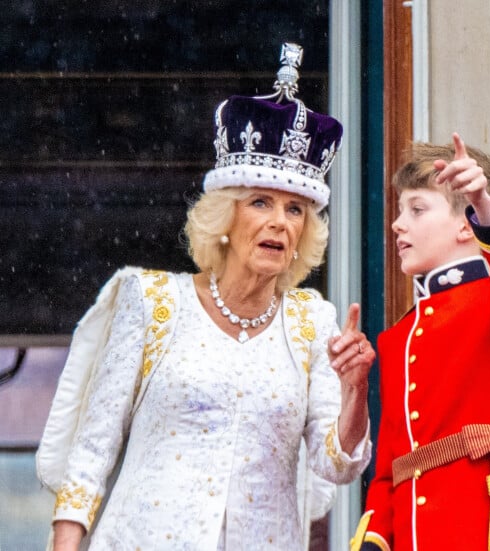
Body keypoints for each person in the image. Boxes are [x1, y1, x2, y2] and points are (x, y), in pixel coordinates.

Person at [37, 43, 375, 551]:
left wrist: (355, 393)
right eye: (261, 202)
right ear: (226, 217)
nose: (280, 223)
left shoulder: (313, 321)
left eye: (295, 210)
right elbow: (92, 451)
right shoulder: (152, 301)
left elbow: (336, 464)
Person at [351, 134, 490, 551]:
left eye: (417, 209)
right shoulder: (397, 338)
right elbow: (393, 469)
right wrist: (374, 540)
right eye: (400, 209)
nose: (398, 223)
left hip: (488, 531)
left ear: (467, 225)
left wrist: (484, 204)